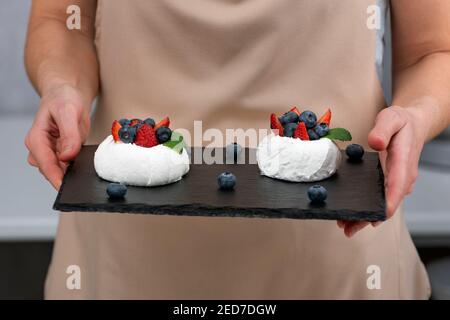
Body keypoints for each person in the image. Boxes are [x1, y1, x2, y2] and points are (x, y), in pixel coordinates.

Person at [24, 0, 450, 299]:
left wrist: (416, 113)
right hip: (127, 252)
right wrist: (62, 86)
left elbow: (433, 49)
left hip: (336, 252)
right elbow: (60, 19)